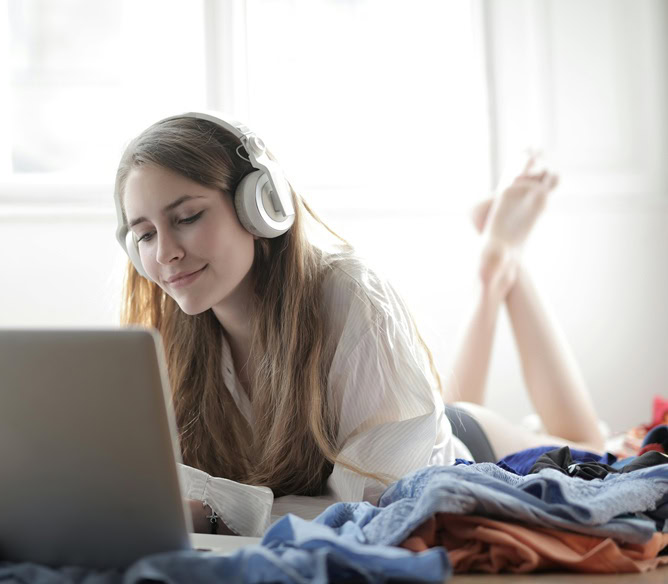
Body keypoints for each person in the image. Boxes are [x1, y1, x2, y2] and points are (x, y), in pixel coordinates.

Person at [112, 112, 606, 537]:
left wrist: (219, 517)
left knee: (591, 447)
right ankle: (495, 268)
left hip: (449, 456)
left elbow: (380, 506)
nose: (166, 253)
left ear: (261, 205)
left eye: (188, 217)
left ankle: (498, 264)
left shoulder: (350, 294)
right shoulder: (170, 329)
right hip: (406, 423)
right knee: (448, 400)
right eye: (146, 235)